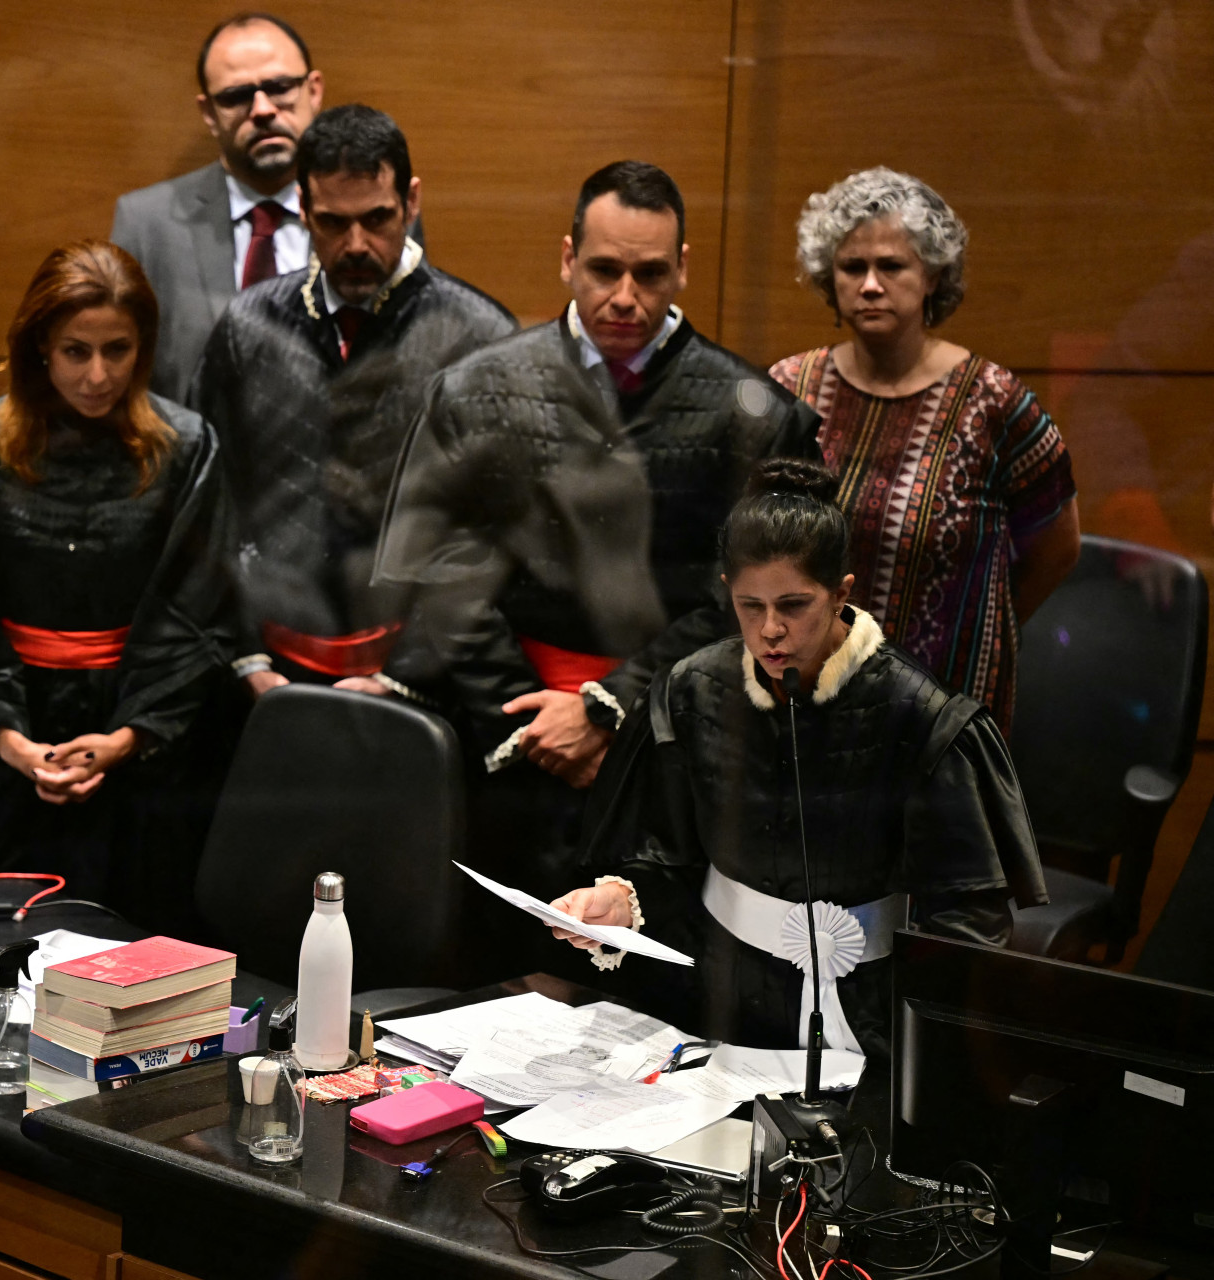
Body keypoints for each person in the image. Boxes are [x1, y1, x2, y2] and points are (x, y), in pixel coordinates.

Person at [374, 160, 820, 903]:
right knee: (491, 980)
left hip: (676, 752)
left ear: (683, 268)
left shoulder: (759, 418)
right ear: (567, 258)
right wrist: (533, 723)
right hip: (503, 743)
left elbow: (765, 600)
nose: (624, 298)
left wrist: (609, 709)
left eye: (649, 274)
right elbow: (432, 572)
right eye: (604, 269)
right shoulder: (473, 389)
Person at [548, 460, 1046, 1057]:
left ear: (842, 593)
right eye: (749, 605)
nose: (771, 630)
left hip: (869, 1016)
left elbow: (965, 925)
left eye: (794, 604)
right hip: (711, 997)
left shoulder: (921, 716)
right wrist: (620, 904)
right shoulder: (691, 689)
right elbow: (666, 860)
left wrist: (922, 1044)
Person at [0, 240, 232, 931]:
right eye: (77, 351)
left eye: (118, 350)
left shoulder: (186, 446)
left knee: (129, 939)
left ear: (144, 348)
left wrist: (129, 737)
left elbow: (200, 615)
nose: (98, 376)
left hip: (135, 737)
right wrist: (11, 744)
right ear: (41, 345)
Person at [195, 104, 514, 697]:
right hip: (263, 671)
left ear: (411, 201)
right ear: (302, 207)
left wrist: (402, 675)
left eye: (378, 218)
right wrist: (243, 658)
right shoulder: (248, 328)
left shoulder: (482, 339)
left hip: (426, 679)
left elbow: (491, 538)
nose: (357, 244)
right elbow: (212, 510)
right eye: (333, 223)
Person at [770, 167, 1080, 734]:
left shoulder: (994, 402)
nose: (869, 284)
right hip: (807, 707)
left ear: (932, 275)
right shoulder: (790, 389)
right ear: (827, 276)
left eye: (891, 266)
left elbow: (1058, 546)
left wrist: (979, 625)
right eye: (851, 267)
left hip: (945, 712)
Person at [111, 13, 324, 401]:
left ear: (313, 91)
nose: (262, 109)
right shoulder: (146, 224)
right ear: (209, 113)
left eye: (279, 87)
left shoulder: (373, 216)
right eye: (236, 96)